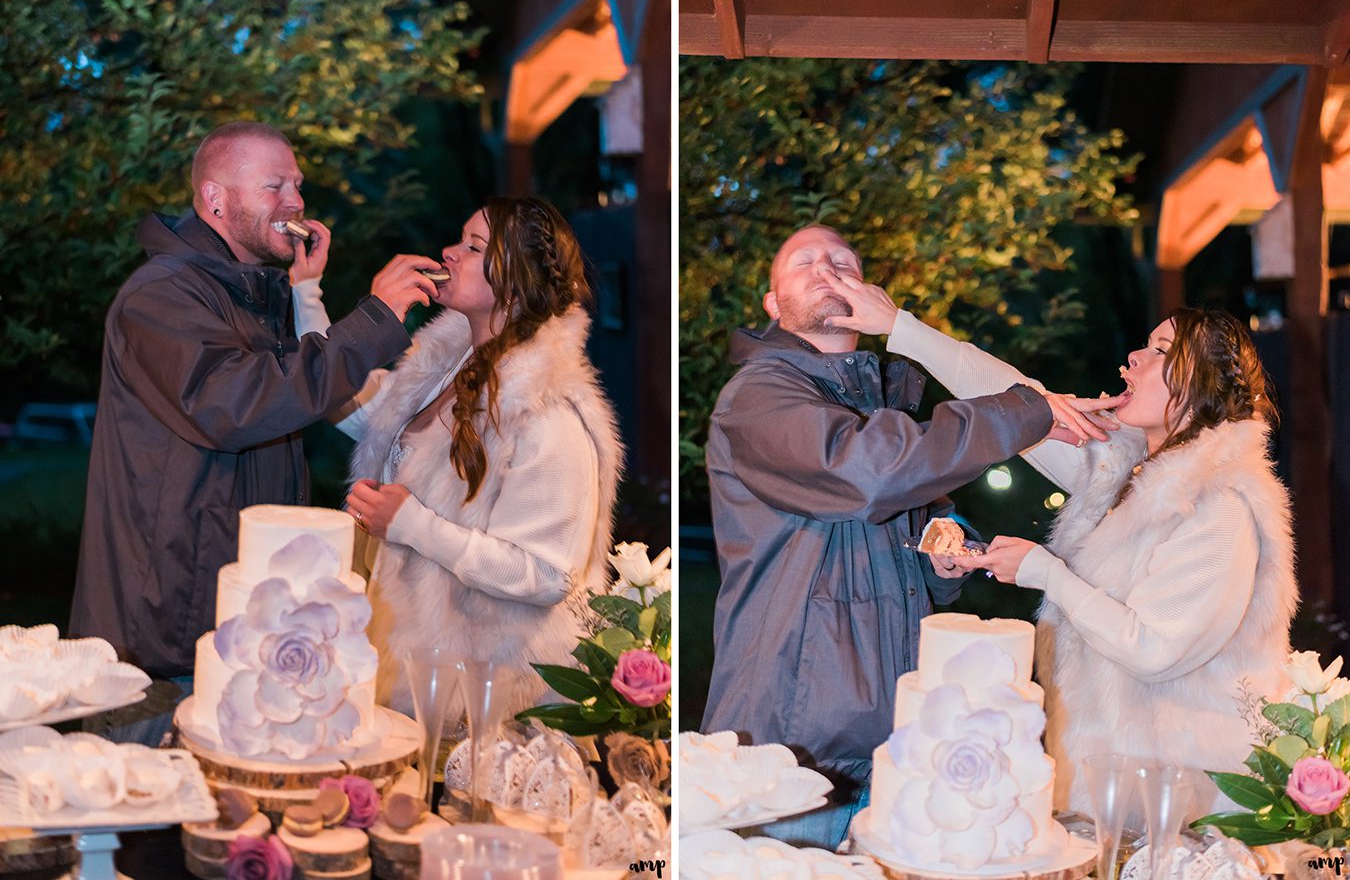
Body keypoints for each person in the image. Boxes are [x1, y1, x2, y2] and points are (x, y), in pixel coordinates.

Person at [823, 273, 1297, 818]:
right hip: (1098, 784)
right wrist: (899, 328)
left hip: (1178, 803)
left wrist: (1044, 571)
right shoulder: (1123, 472)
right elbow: (1008, 391)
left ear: (1204, 382)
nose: (1132, 359)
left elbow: (1154, 649)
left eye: (1160, 350)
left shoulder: (1222, 502)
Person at [699, 224, 1104, 850]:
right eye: (804, 262)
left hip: (892, 754)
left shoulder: (875, 406)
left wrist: (939, 559)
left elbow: (889, 526)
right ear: (773, 306)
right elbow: (868, 473)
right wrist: (1026, 411)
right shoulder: (760, 393)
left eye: (842, 260)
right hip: (790, 755)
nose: (827, 269)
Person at [71, 121, 433, 744]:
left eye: (296, 185)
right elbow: (240, 405)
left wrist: (303, 291)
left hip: (236, 634)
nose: (294, 202)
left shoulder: (246, 296)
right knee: (143, 830)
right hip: (162, 647)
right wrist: (375, 318)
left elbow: (298, 383)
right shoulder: (161, 297)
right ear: (215, 200)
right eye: (274, 187)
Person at [292, 196, 622, 719]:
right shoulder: (447, 368)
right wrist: (306, 290)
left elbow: (546, 572)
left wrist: (410, 523)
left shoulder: (545, 406)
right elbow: (347, 396)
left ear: (514, 280)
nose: (448, 252)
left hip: (484, 693)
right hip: (412, 662)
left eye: (472, 246)